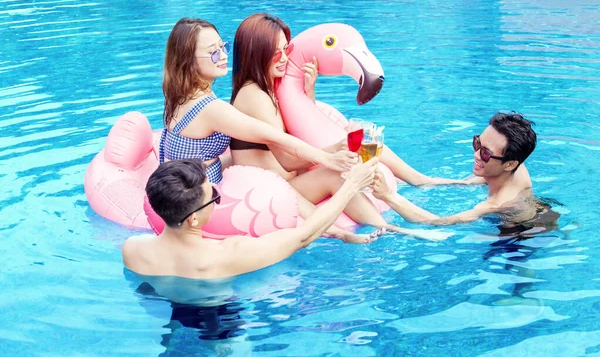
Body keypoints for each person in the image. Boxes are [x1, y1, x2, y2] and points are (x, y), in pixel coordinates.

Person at [230, 13, 452, 242]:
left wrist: (308, 93)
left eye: (287, 49)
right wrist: (334, 150)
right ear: (256, 54)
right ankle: (392, 228)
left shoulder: (268, 90)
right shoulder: (253, 96)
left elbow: (298, 132)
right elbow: (286, 160)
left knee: (362, 143)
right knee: (335, 175)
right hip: (274, 190)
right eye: (277, 53)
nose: (285, 58)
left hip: (290, 178)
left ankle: (419, 180)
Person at [159, 17, 382, 244]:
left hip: (191, 177)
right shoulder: (212, 108)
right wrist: (326, 156)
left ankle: (341, 230)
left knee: (271, 174)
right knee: (294, 180)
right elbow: (273, 136)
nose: (224, 57)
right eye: (213, 53)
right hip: (199, 196)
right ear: (188, 61)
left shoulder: (179, 94)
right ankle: (350, 231)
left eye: (222, 47)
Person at [121, 158, 380, 279]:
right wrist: (351, 185)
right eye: (215, 198)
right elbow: (304, 236)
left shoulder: (133, 249)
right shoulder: (227, 255)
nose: (217, 198)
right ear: (193, 220)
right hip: (221, 327)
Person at [372, 112, 559, 229]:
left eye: (486, 153)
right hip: (539, 207)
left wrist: (389, 196)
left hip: (519, 232)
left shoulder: (496, 204)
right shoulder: (513, 166)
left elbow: (438, 222)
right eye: (478, 143)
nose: (477, 155)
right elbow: (470, 182)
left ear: (510, 164)